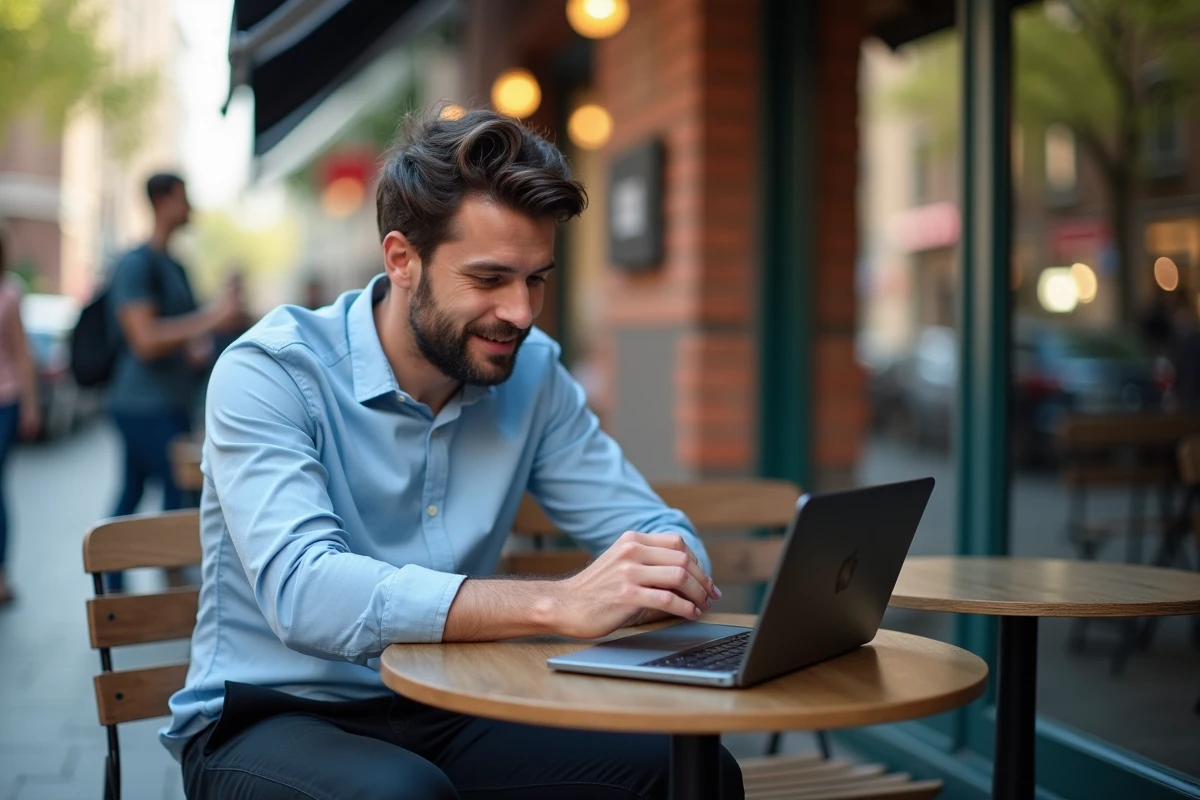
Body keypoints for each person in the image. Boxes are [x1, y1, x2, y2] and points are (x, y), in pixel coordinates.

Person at [164, 110, 743, 800]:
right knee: (401, 796)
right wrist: (558, 604)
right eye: (491, 278)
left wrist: (663, 570)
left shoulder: (534, 377)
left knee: (690, 773)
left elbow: (666, 537)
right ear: (402, 259)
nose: (522, 313)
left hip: (451, 703)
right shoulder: (271, 372)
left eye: (536, 280)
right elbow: (305, 594)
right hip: (271, 716)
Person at [105, 173, 240, 589]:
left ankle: (113, 578)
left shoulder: (176, 267)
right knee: (175, 488)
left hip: (170, 400)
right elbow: (144, 340)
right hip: (140, 404)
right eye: (184, 198)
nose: (190, 208)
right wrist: (210, 319)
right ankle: (167, 580)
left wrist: (195, 343)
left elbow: (178, 333)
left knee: (133, 491)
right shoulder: (134, 265)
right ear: (162, 201)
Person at [0, 236, 41, 604]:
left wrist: (30, 405)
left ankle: (1, 573)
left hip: (5, 401)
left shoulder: (10, 291)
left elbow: (22, 353)